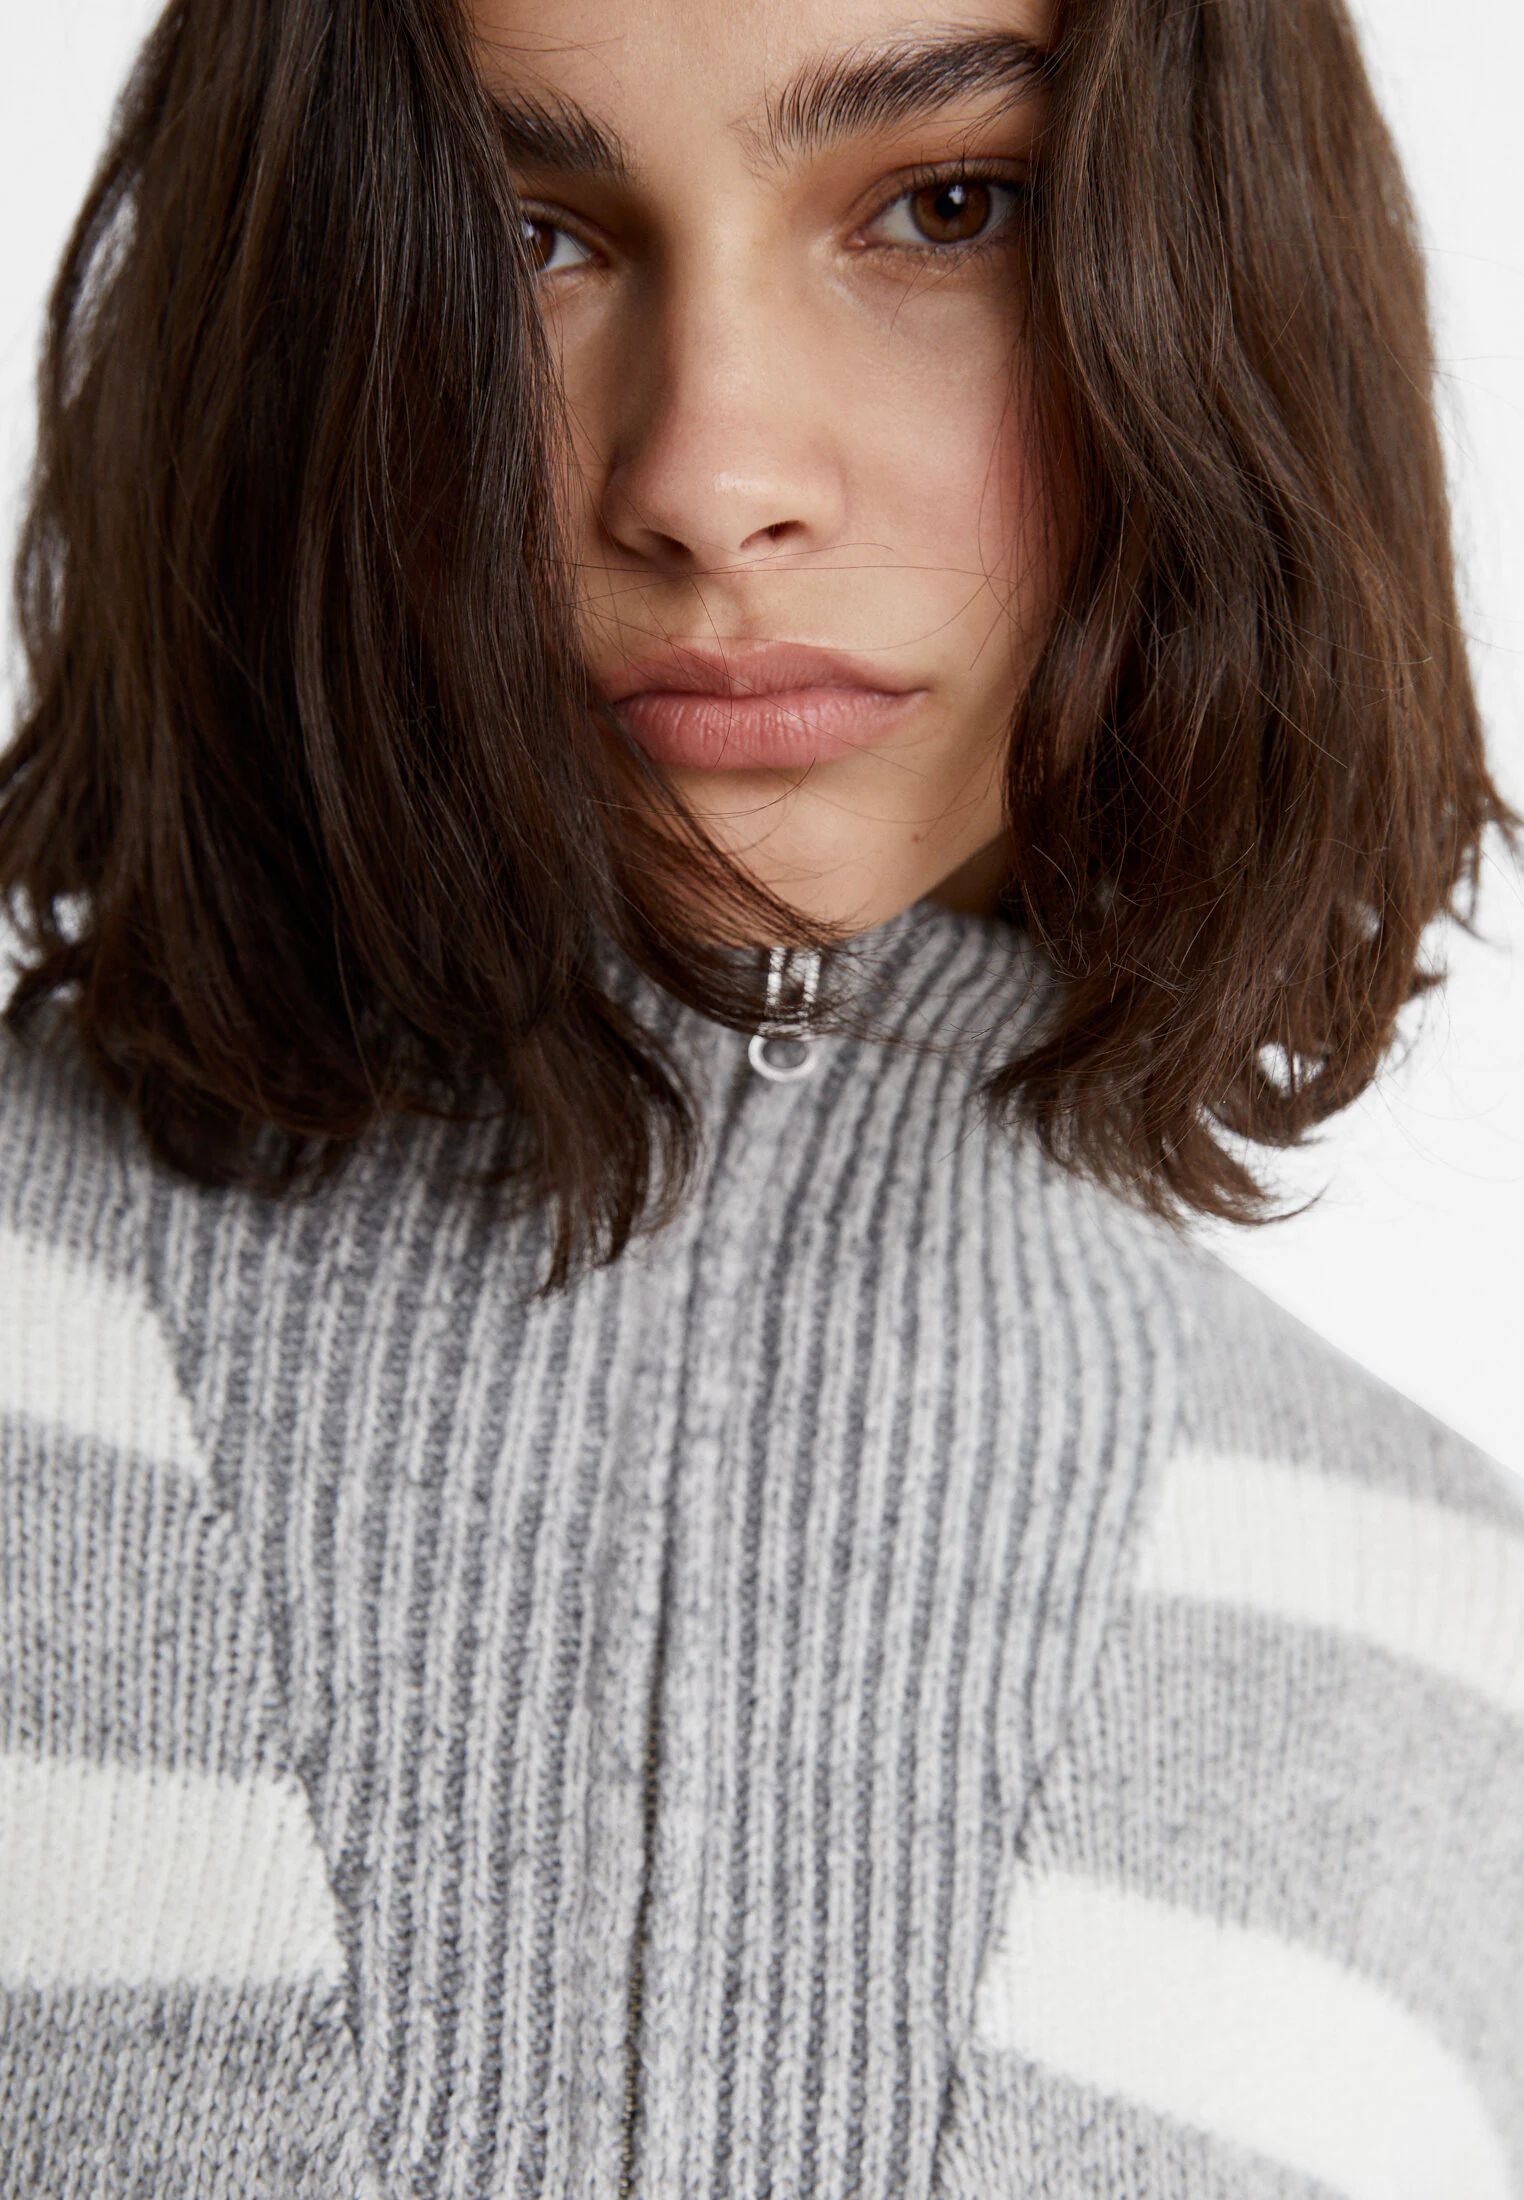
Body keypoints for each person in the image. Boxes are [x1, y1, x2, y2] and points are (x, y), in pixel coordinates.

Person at [0, 0, 1520, 2191]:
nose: (710, 482)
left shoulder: (1459, 1656)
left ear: (1223, 277)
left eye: (949, 208)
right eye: (521, 235)